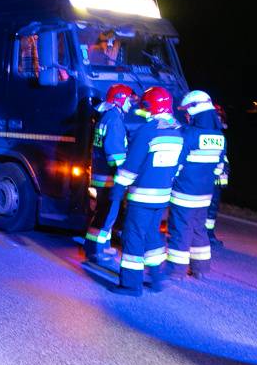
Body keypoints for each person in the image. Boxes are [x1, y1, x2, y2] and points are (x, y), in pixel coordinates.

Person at [100, 86, 184, 296]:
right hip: (162, 197)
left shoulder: (147, 131)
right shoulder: (177, 132)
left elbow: (130, 167)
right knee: (152, 235)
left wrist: (117, 191)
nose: (142, 111)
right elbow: (178, 166)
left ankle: (130, 285)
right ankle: (157, 278)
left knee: (133, 237)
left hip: (142, 197)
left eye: (145, 107)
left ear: (151, 106)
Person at [166, 91, 227, 280]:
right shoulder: (220, 136)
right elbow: (219, 168)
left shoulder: (189, 134)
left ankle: (176, 271)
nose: (186, 116)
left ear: (195, 109)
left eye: (187, 111)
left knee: (180, 230)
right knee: (199, 229)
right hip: (205, 194)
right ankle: (201, 269)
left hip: (184, 192)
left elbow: (176, 165)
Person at [84, 84, 135, 264]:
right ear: (120, 100)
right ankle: (96, 252)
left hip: (102, 176)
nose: (130, 104)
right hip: (109, 178)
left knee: (103, 213)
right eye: (128, 100)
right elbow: (115, 154)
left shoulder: (108, 117)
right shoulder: (114, 120)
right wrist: (125, 175)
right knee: (106, 215)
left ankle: (100, 247)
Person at [205, 104, 229, 247]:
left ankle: (208, 233)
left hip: (216, 179)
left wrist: (223, 177)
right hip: (208, 178)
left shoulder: (219, 135)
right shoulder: (211, 135)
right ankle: (205, 234)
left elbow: (222, 158)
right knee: (205, 207)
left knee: (212, 208)